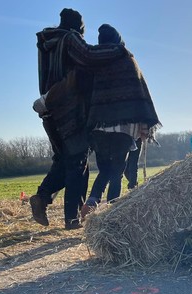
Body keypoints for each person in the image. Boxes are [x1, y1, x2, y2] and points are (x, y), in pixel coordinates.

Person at [30, 8, 126, 230]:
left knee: (63, 159)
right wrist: (117, 50)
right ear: (78, 27)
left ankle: (43, 197)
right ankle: (71, 219)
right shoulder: (69, 38)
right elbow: (89, 56)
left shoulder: (47, 44)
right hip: (70, 109)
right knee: (78, 162)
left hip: (49, 109)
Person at [81, 24, 161, 219]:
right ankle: (111, 214)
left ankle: (91, 201)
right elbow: (139, 92)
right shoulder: (127, 59)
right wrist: (144, 125)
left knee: (104, 170)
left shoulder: (94, 60)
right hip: (123, 129)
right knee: (117, 171)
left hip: (98, 127)